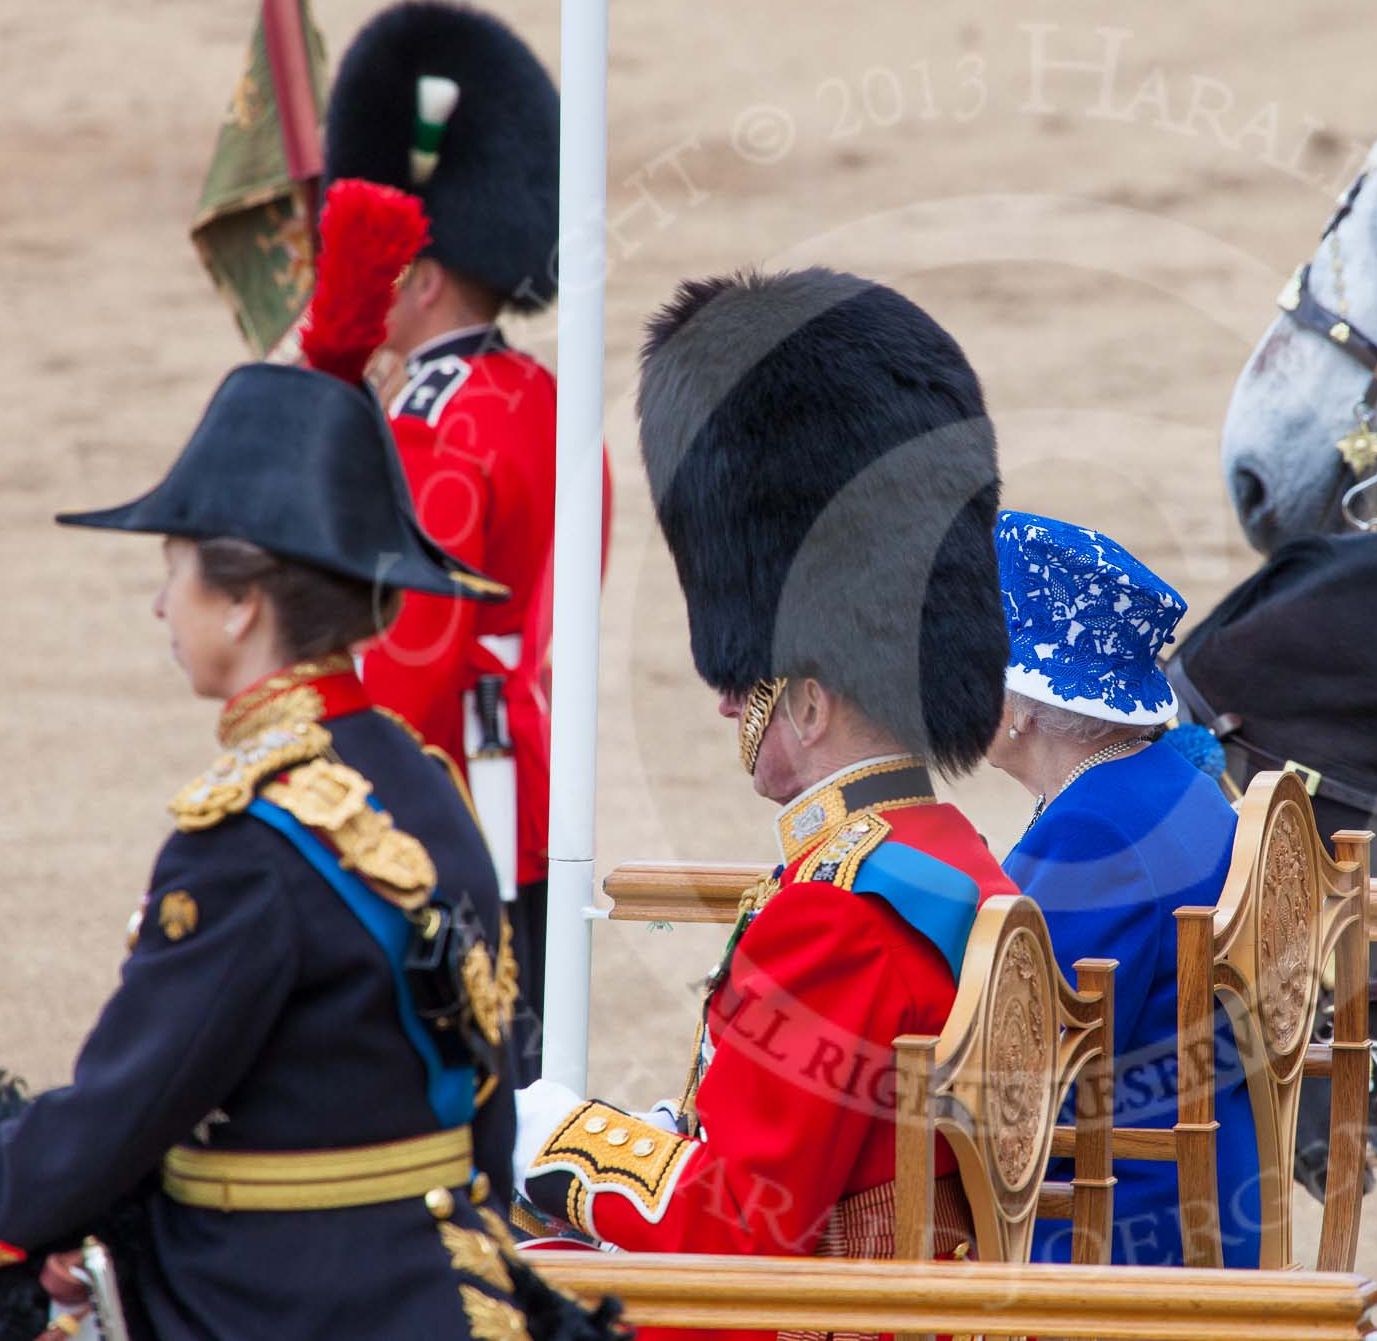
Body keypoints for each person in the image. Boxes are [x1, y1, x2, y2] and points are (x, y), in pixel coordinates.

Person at [0, 360, 532, 1339]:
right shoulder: (420, 780)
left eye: (174, 566)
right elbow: (484, 1101)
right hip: (445, 1289)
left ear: (241, 602)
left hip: (283, 1304)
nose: (162, 605)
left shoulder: (250, 841)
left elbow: (129, 1106)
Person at [513, 269, 1014, 1298]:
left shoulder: (838, 915)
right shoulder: (945, 852)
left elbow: (739, 1226)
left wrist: (557, 1144)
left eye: (747, 686)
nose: (723, 706)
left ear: (813, 702)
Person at [324, 0, 613, 1078]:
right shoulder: (545, 395)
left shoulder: (434, 422)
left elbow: (412, 642)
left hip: (448, 782)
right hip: (531, 769)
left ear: (423, 275)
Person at [986, 510, 1262, 1266]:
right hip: (1200, 1202)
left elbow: (1012, 1071)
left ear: (1017, 707)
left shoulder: (1095, 831)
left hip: (1121, 1233)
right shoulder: (1168, 784)